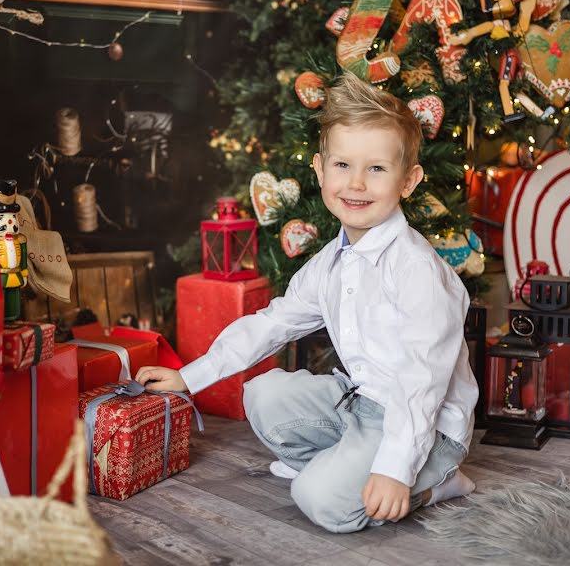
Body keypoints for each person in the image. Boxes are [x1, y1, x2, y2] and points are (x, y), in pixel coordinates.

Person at [135, 72, 478, 533]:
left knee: (320, 501)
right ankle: (343, 467)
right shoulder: (332, 260)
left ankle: (434, 482)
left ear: (408, 180)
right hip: (360, 405)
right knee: (263, 393)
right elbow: (273, 322)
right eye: (342, 166)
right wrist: (188, 377)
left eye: (376, 169)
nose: (355, 183)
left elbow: (422, 381)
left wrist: (395, 469)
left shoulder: (415, 269)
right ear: (319, 170)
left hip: (425, 423)